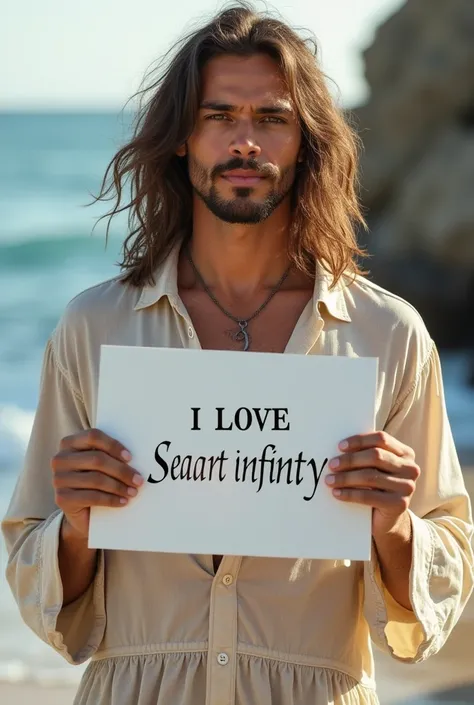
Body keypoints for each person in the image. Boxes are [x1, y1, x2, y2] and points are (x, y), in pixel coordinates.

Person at [2, 4, 473, 705]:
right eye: (219, 116)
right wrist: (75, 521)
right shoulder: (94, 328)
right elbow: (42, 593)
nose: (245, 142)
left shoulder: (388, 334)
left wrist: (395, 523)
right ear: (181, 141)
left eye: (271, 118)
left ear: (305, 142)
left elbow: (441, 584)